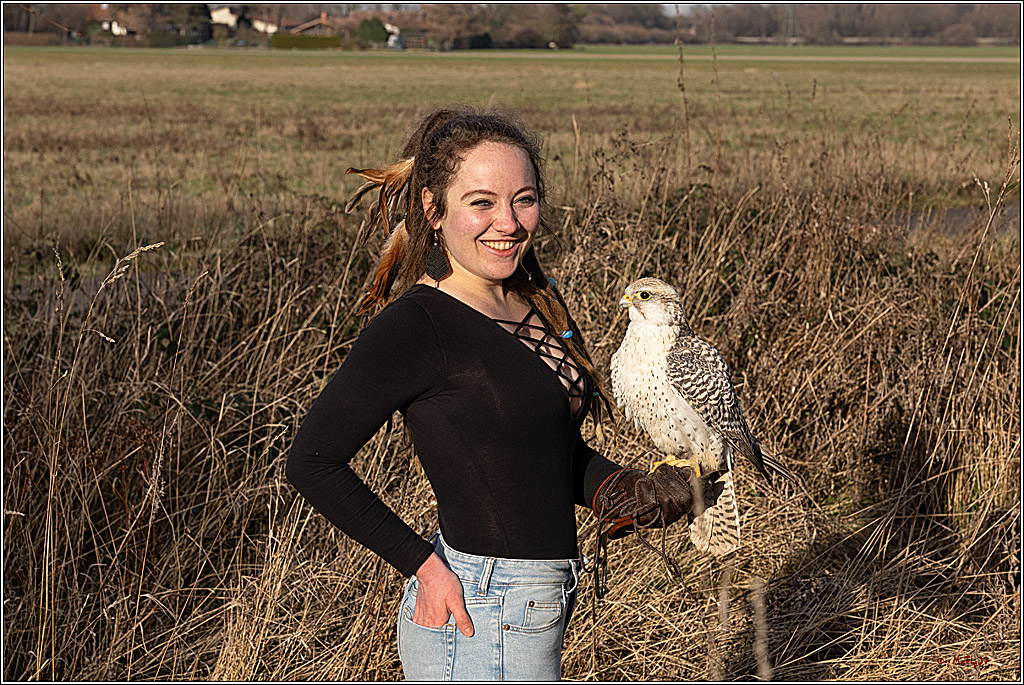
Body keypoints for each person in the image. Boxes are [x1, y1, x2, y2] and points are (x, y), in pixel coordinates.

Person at [286, 108, 698, 681]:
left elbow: (538, 444)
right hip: (483, 608)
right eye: (481, 202)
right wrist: (423, 566)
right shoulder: (418, 325)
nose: (507, 222)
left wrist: (621, 490)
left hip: (531, 602)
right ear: (433, 210)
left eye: (523, 200)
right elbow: (311, 461)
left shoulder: (529, 304)